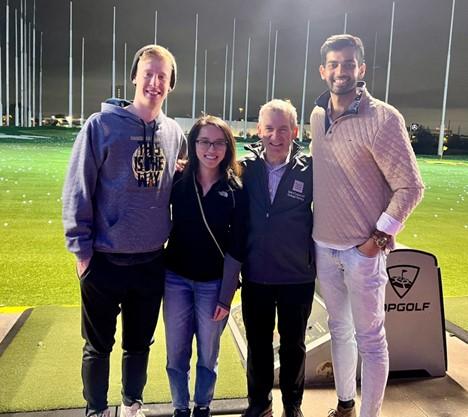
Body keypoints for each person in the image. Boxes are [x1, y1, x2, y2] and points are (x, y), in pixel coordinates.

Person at [62, 44, 186, 417]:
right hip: (103, 259)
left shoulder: (174, 132)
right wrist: (81, 253)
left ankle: (132, 406)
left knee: (139, 344)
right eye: (148, 73)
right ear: (134, 76)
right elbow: (77, 188)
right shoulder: (101, 126)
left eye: (162, 76)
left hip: (150, 260)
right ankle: (96, 410)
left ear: (170, 84)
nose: (154, 82)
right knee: (97, 346)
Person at [309, 34, 424, 417]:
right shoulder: (317, 114)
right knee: (339, 331)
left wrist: (376, 240)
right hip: (323, 246)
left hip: (363, 252)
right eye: (334, 64)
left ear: (360, 69)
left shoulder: (383, 117)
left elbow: (411, 187)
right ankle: (345, 404)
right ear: (323, 70)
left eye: (348, 64)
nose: (341, 71)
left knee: (371, 340)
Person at [163, 115, 247, 417]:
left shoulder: (236, 189)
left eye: (218, 143)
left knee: (208, 355)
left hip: (213, 284)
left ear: (228, 147)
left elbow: (238, 246)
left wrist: (226, 296)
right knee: (176, 353)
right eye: (204, 142)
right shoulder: (177, 180)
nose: (211, 149)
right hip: (175, 280)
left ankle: (202, 407)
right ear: (193, 143)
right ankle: (180, 407)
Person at [240, 99, 315, 417]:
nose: (275, 136)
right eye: (269, 128)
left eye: (283, 129)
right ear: (259, 130)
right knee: (257, 346)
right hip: (256, 273)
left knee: (293, 346)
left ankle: (292, 404)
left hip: (297, 275)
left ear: (294, 131)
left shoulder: (310, 169)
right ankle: (259, 404)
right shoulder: (246, 167)